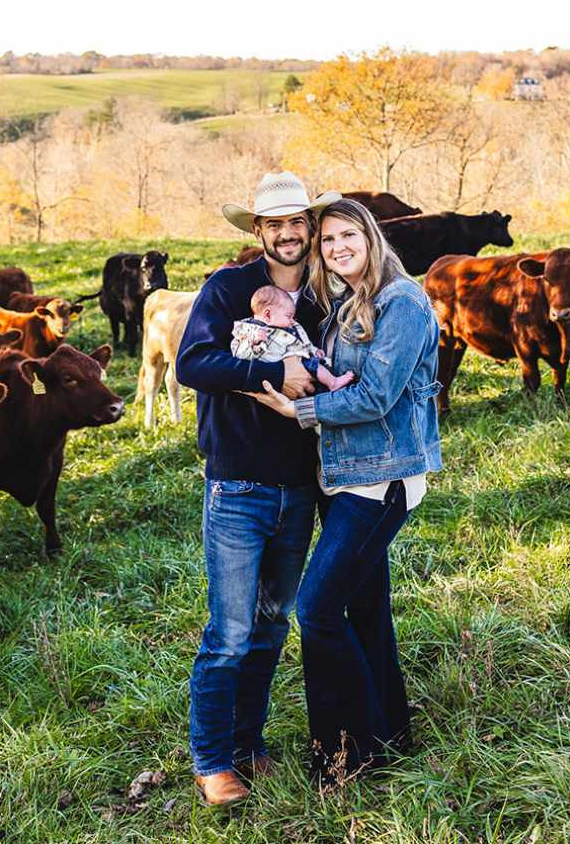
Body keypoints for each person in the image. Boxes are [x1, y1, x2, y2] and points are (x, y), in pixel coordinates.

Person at [250, 197, 442, 784]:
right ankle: (389, 733)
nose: (336, 248)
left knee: (317, 608)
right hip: (344, 478)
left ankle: (344, 755)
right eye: (327, 241)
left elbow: (375, 396)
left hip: (382, 479)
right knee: (365, 610)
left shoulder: (402, 302)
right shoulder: (342, 307)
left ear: (370, 236)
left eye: (346, 236)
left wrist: (297, 408)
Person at [176, 170, 340, 806]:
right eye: (275, 224)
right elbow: (193, 363)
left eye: (298, 222)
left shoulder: (326, 297)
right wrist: (274, 369)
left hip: (300, 486)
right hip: (238, 484)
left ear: (310, 227)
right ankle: (213, 760)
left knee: (273, 626)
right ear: (259, 231)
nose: (288, 234)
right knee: (231, 632)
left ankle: (250, 746)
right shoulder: (229, 287)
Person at [231, 284, 355, 392]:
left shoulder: (288, 327)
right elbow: (239, 354)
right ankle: (333, 383)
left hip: (298, 362)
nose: (292, 321)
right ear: (267, 314)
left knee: (319, 363)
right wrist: (255, 343)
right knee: (314, 366)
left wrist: (313, 350)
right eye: (288, 316)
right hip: (282, 371)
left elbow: (302, 342)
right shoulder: (248, 332)